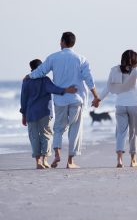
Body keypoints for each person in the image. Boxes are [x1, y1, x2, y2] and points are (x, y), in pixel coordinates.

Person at [23, 32, 99, 169]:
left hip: (60, 99)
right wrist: (96, 96)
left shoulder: (53, 57)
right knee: (75, 129)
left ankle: (57, 154)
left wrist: (29, 76)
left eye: (60, 41)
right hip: (76, 98)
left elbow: (41, 71)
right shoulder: (81, 58)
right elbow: (89, 79)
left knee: (58, 128)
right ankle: (70, 161)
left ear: (63, 41)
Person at [20, 59, 78, 169]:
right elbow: (54, 89)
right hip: (44, 112)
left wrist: (23, 115)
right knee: (46, 135)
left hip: (31, 113)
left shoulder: (26, 81)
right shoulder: (44, 79)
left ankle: (38, 162)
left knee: (34, 136)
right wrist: (67, 90)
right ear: (41, 68)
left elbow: (23, 99)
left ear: (31, 70)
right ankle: (45, 160)